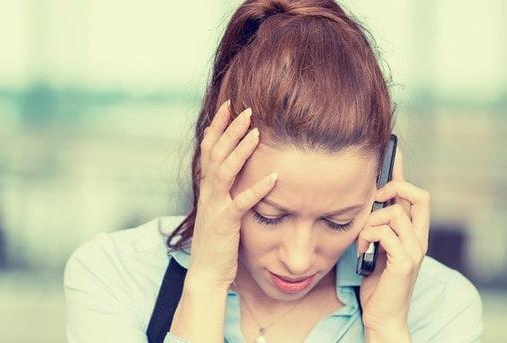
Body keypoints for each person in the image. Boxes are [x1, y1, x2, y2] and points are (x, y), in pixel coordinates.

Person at [63, 0, 483, 342]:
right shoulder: (115, 276)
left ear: (383, 185)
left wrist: (388, 329)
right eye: (270, 215)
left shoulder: (439, 306)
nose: (298, 259)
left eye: (338, 221)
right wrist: (206, 282)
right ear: (218, 160)